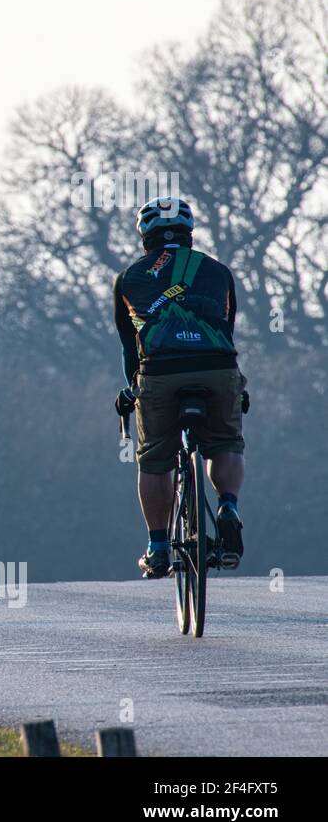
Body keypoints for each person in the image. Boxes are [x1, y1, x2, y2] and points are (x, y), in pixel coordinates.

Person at [113, 197, 247, 578]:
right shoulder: (218, 272)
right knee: (225, 443)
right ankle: (229, 505)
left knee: (154, 458)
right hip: (217, 369)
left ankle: (157, 547)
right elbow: (226, 331)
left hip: (160, 373)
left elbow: (130, 348)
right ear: (189, 234)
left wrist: (133, 389)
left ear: (145, 237)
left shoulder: (129, 278)